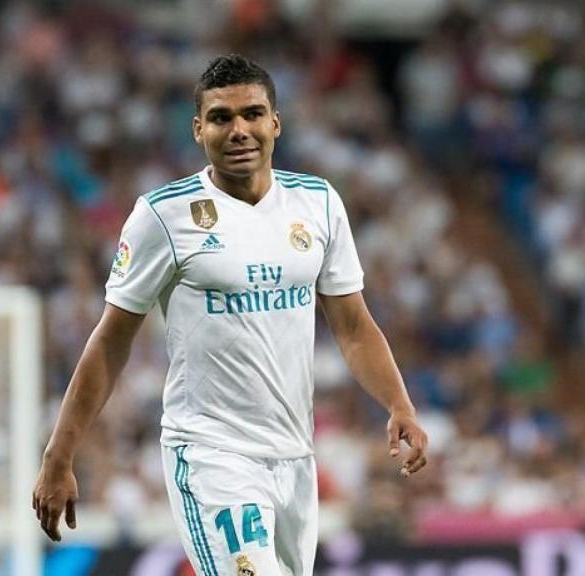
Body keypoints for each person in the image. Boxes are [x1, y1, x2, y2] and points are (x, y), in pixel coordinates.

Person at [32, 54, 429, 576]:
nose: (239, 130)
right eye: (221, 117)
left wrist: (399, 403)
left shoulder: (318, 204)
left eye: (252, 114)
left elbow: (353, 326)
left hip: (294, 456)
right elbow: (110, 342)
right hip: (211, 455)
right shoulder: (164, 215)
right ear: (199, 130)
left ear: (275, 123)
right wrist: (58, 455)